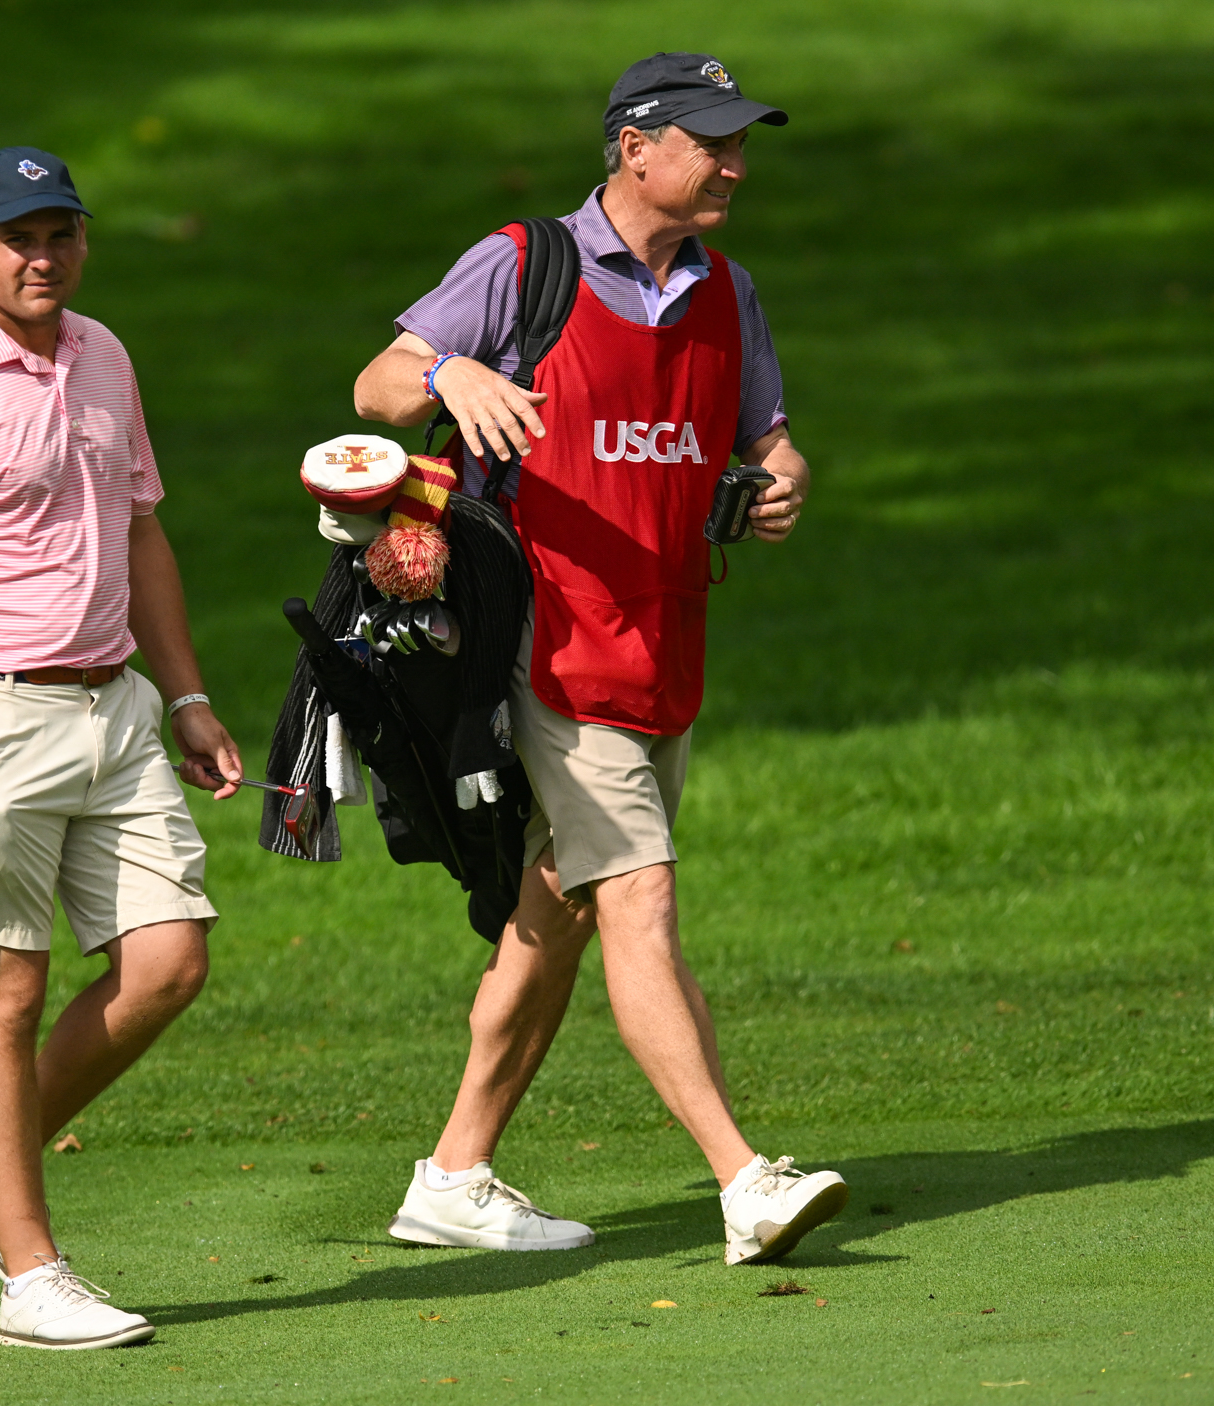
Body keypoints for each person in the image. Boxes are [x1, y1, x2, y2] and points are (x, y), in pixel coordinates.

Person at [351, 54, 847, 1265]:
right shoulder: (528, 262)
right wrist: (452, 370)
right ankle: (742, 1177)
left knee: (560, 904)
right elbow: (375, 384)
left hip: (666, 636)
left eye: (741, 145)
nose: (734, 164)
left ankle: (453, 1172)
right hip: (546, 643)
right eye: (712, 143)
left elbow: (770, 440)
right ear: (635, 146)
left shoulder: (728, 292)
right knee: (638, 892)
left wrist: (777, 487)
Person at [0, 147, 242, 1349]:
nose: (42, 256)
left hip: (114, 703)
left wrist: (184, 696)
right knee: (9, 983)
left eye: (60, 233)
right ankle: (30, 1275)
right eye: (15, 236)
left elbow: (141, 533)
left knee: (171, 959)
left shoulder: (104, 356)